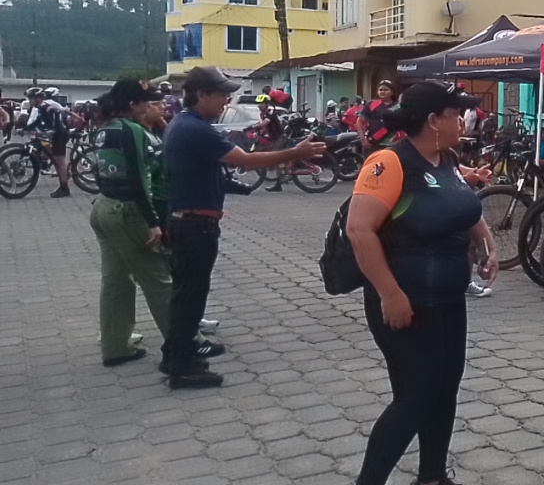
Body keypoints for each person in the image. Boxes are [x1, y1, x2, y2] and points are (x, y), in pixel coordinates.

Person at [345, 81, 500, 485]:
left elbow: (465, 207)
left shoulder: (447, 159)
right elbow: (359, 230)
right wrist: (390, 293)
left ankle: (432, 476)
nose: (463, 121)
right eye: (456, 114)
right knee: (418, 395)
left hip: (447, 299)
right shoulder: (388, 162)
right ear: (433, 120)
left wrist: (487, 245)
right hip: (406, 302)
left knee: (445, 388)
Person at [160, 66, 325, 388]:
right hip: (194, 225)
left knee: (187, 294)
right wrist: (296, 152)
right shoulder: (195, 128)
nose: (226, 101)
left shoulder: (185, 124)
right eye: (222, 95)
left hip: (188, 221)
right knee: (190, 296)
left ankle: (180, 351)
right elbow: (245, 161)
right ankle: (179, 363)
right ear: (201, 94)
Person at [92, 80, 172, 368]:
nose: (150, 106)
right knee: (158, 279)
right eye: (145, 101)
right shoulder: (132, 130)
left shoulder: (106, 127)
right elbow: (140, 179)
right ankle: (185, 343)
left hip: (104, 207)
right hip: (128, 211)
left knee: (116, 281)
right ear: (133, 105)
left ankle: (116, 347)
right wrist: (152, 222)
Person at [20, 85, 73, 197]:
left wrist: (46, 132)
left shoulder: (46, 107)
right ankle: (62, 182)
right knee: (54, 159)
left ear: (38, 98)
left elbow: (52, 123)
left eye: (31, 98)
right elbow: (38, 121)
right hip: (55, 134)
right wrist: (25, 129)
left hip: (59, 134)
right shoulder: (40, 108)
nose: (30, 101)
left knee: (59, 162)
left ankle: (64, 188)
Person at [357, 81, 399, 155]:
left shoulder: (398, 107)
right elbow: (359, 122)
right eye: (380, 90)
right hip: (372, 144)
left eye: (385, 90)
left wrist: (396, 138)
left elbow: (403, 125)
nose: (382, 92)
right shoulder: (371, 104)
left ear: (392, 92)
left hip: (392, 145)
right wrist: (363, 140)